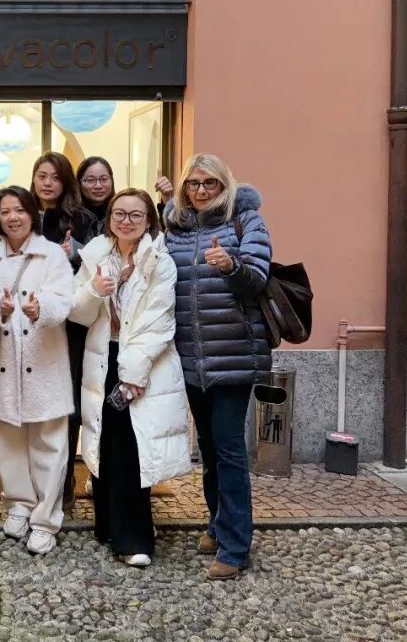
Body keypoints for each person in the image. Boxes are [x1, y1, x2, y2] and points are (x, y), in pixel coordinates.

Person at [164, 154, 272, 580]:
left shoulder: (246, 221)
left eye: (210, 183)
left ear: (225, 186)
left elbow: (258, 278)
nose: (201, 191)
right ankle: (216, 522)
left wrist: (232, 266)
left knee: (228, 448)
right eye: (193, 183)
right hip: (190, 358)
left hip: (233, 354)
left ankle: (235, 545)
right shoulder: (175, 228)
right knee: (208, 448)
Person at [70, 189, 191, 568]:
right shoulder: (96, 255)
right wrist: (94, 291)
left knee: (132, 450)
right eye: (119, 213)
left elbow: (159, 321)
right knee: (105, 442)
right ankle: (107, 526)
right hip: (102, 359)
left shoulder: (159, 261)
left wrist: (134, 375)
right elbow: (77, 313)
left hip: (141, 363)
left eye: (135, 215)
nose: (126, 221)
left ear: (148, 220)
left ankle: (134, 537)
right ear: (109, 218)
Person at [0, 186, 74, 555]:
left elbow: (64, 299)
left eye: (20, 210)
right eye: (5, 211)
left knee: (49, 444)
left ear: (32, 214)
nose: (13, 217)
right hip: (5, 363)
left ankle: (45, 519)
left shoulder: (51, 254)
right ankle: (18, 503)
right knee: (9, 441)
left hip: (45, 361)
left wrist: (41, 309)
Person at [30, 151, 96, 509]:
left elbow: (97, 265)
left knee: (65, 403)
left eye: (55, 177)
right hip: (28, 323)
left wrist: (74, 255)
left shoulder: (81, 218)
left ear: (66, 181)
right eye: (42, 175)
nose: (47, 183)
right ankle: (34, 478)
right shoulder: (22, 213)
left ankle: (64, 478)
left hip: (68, 325)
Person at [76, 156, 115, 224]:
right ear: (79, 183)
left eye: (104, 179)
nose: (98, 186)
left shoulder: (120, 212)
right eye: (90, 180)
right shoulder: (69, 216)